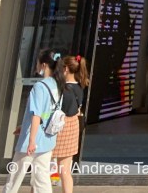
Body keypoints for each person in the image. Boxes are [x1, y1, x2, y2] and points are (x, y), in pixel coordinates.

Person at [3, 49, 66, 193]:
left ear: (44, 65)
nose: (36, 66)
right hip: (48, 140)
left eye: (37, 63)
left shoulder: (40, 87)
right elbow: (48, 113)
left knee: (13, 180)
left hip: (31, 142)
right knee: (42, 181)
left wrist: (31, 140)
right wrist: (24, 126)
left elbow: (37, 115)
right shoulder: (58, 85)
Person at [52, 55, 89, 193]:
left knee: (43, 168)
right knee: (65, 170)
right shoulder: (79, 86)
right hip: (73, 126)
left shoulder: (63, 89)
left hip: (60, 127)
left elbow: (60, 111)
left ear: (66, 69)